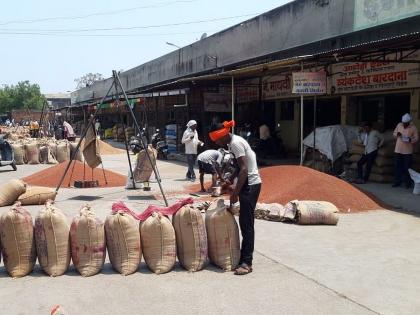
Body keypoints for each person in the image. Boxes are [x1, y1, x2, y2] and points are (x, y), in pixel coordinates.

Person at [209, 120, 262, 276]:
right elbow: (239, 168)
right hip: (247, 183)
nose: (217, 142)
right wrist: (230, 179)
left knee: (247, 224)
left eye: (218, 140)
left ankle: (247, 262)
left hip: (251, 185)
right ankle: (244, 257)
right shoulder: (232, 143)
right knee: (245, 222)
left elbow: (245, 169)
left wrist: (235, 193)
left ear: (224, 135)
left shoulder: (236, 143)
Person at [393, 113, 419, 188]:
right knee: (397, 167)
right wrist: (397, 135)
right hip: (398, 150)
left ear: (409, 122)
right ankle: (397, 182)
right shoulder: (399, 125)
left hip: (407, 151)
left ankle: (407, 183)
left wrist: (411, 140)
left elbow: (416, 138)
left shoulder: (413, 127)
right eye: (403, 123)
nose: (404, 125)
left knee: (407, 168)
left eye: (405, 123)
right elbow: (394, 133)